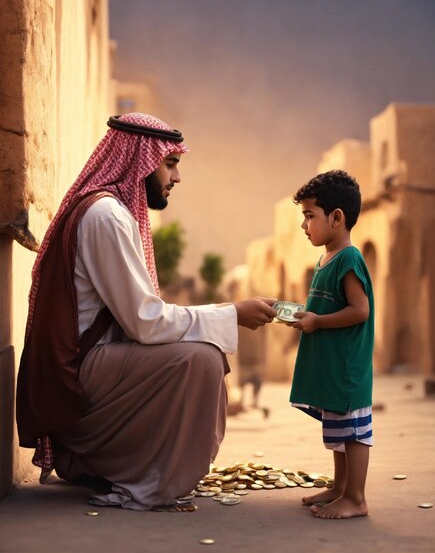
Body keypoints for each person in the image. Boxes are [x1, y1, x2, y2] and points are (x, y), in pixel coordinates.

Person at [16, 112, 276, 511]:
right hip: (81, 372)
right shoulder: (105, 216)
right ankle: (148, 486)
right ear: (141, 160)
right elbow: (145, 322)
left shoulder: (110, 211)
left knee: (200, 354)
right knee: (201, 360)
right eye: (170, 164)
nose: (176, 177)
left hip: (92, 362)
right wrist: (231, 313)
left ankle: (126, 467)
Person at [289, 170, 374, 519]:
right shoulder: (324, 259)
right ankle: (339, 488)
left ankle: (356, 497)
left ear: (336, 218)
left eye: (310, 216)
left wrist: (318, 321)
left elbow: (360, 310)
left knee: (353, 431)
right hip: (331, 366)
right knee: (338, 427)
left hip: (347, 367)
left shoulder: (349, 258)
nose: (304, 224)